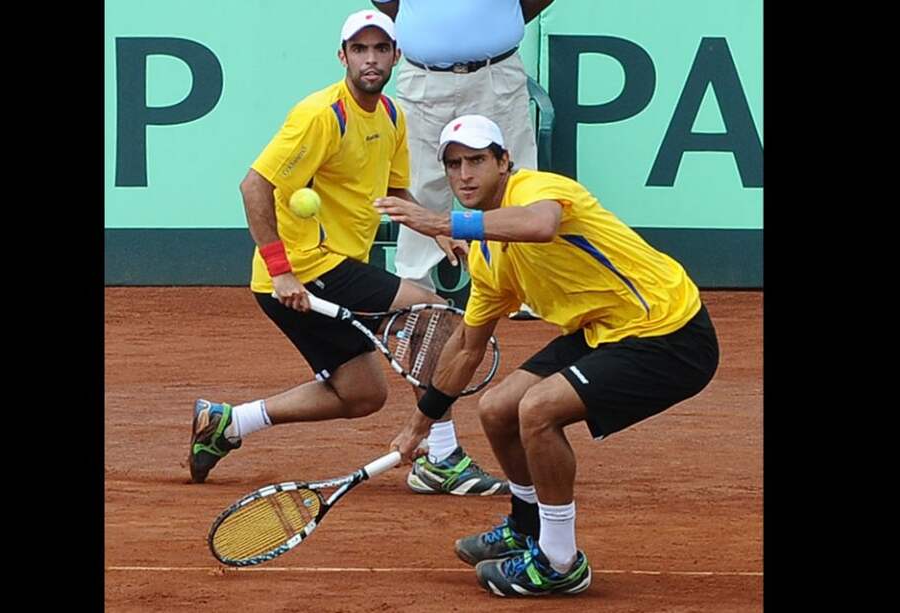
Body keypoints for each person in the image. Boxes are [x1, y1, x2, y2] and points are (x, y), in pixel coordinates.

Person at [375, 114, 720, 597]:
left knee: (537, 411)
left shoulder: (539, 189)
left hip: (669, 331)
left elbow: (540, 225)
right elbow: (467, 346)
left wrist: (440, 221)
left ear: (504, 162)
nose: (464, 175)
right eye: (453, 165)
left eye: (477, 160)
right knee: (497, 409)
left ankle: (560, 561)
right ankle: (527, 525)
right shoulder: (488, 256)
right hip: (603, 329)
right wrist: (419, 425)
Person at [187, 11, 507, 497]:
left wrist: (439, 230)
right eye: (360, 49)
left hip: (336, 267)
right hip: (305, 269)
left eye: (381, 49)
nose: (371, 59)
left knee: (362, 395)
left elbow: (397, 189)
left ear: (397, 57)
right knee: (433, 317)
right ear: (343, 57)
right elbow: (254, 186)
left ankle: (228, 423)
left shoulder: (394, 115)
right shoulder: (320, 116)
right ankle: (441, 458)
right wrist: (282, 271)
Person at [370, 0, 551, 320]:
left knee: (514, 177)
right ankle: (415, 291)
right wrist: (430, 33)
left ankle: (530, 287)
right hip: (424, 75)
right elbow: (387, 3)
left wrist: (497, 26)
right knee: (418, 181)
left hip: (496, 71)